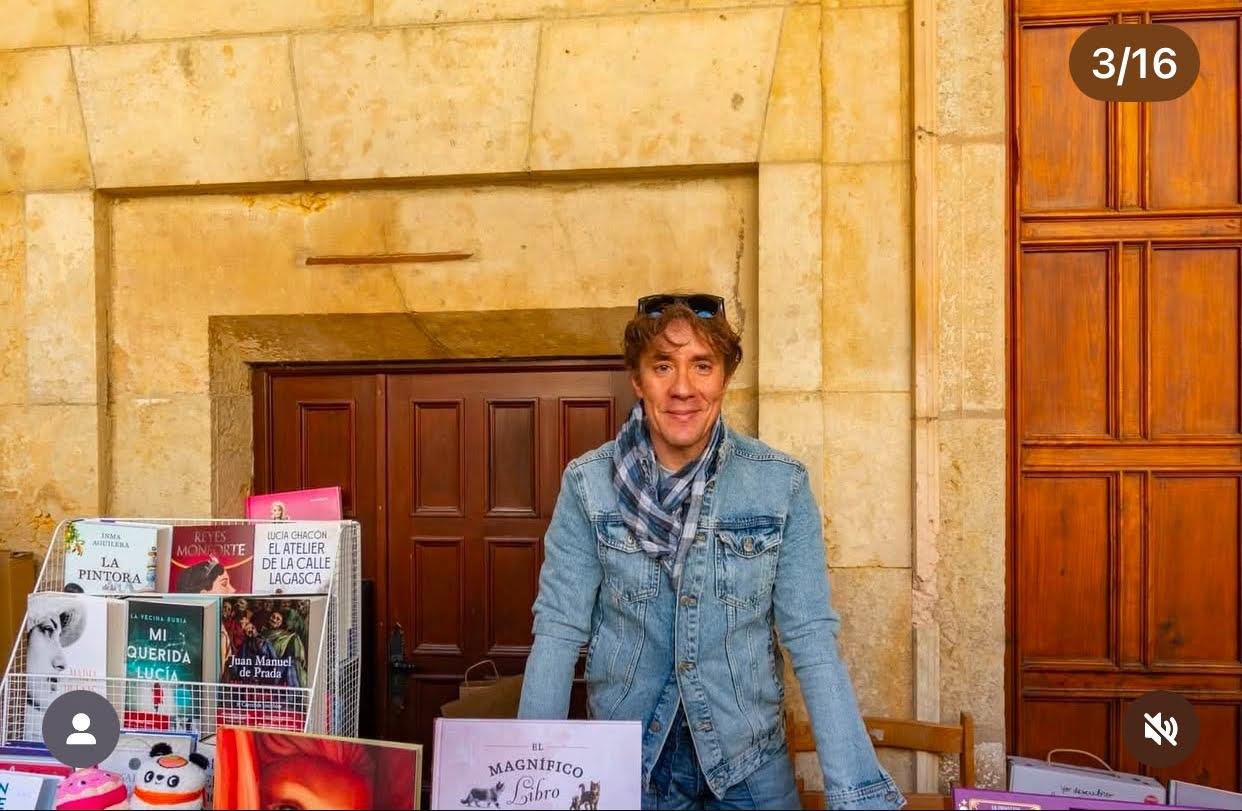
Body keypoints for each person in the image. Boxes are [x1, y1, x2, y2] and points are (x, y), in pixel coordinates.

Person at [518, 293, 904, 810]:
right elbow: (559, 630)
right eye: (663, 366)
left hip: (751, 766)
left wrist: (859, 798)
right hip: (629, 765)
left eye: (702, 365)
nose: (683, 387)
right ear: (638, 380)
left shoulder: (781, 485)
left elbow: (810, 636)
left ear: (724, 378)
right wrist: (530, 786)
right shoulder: (588, 485)